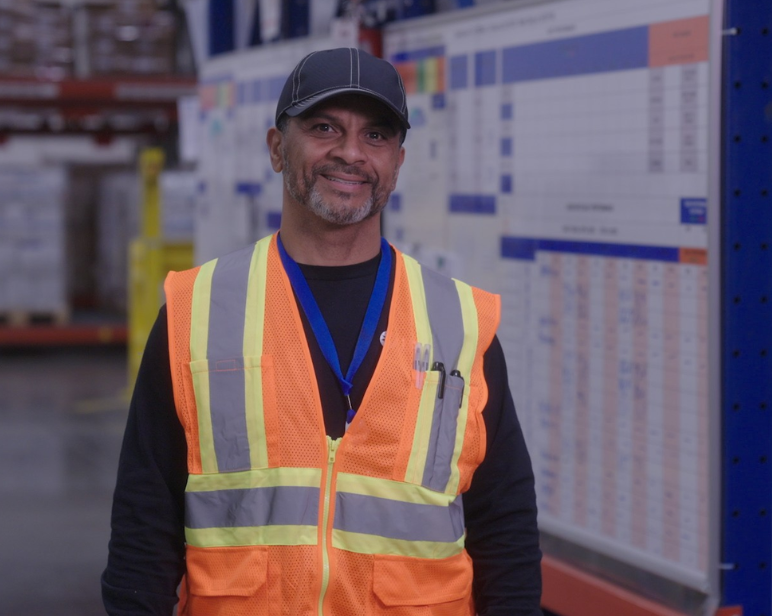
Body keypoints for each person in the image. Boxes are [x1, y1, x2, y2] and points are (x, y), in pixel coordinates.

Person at [102, 47, 542, 616]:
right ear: (277, 148)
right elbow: (144, 517)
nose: (351, 153)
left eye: (377, 135)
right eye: (324, 127)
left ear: (399, 161)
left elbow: (503, 522)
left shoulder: (459, 321)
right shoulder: (200, 310)